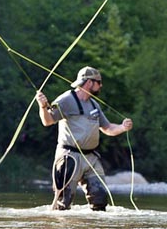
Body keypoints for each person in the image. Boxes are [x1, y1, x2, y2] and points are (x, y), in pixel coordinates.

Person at [35, 66, 133, 211]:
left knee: (100, 200)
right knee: (63, 204)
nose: (101, 85)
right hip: (69, 157)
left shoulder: (94, 104)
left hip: (91, 159)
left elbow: (108, 128)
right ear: (89, 82)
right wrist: (43, 106)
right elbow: (47, 121)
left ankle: (92, 226)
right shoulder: (66, 100)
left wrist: (123, 127)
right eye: (98, 82)